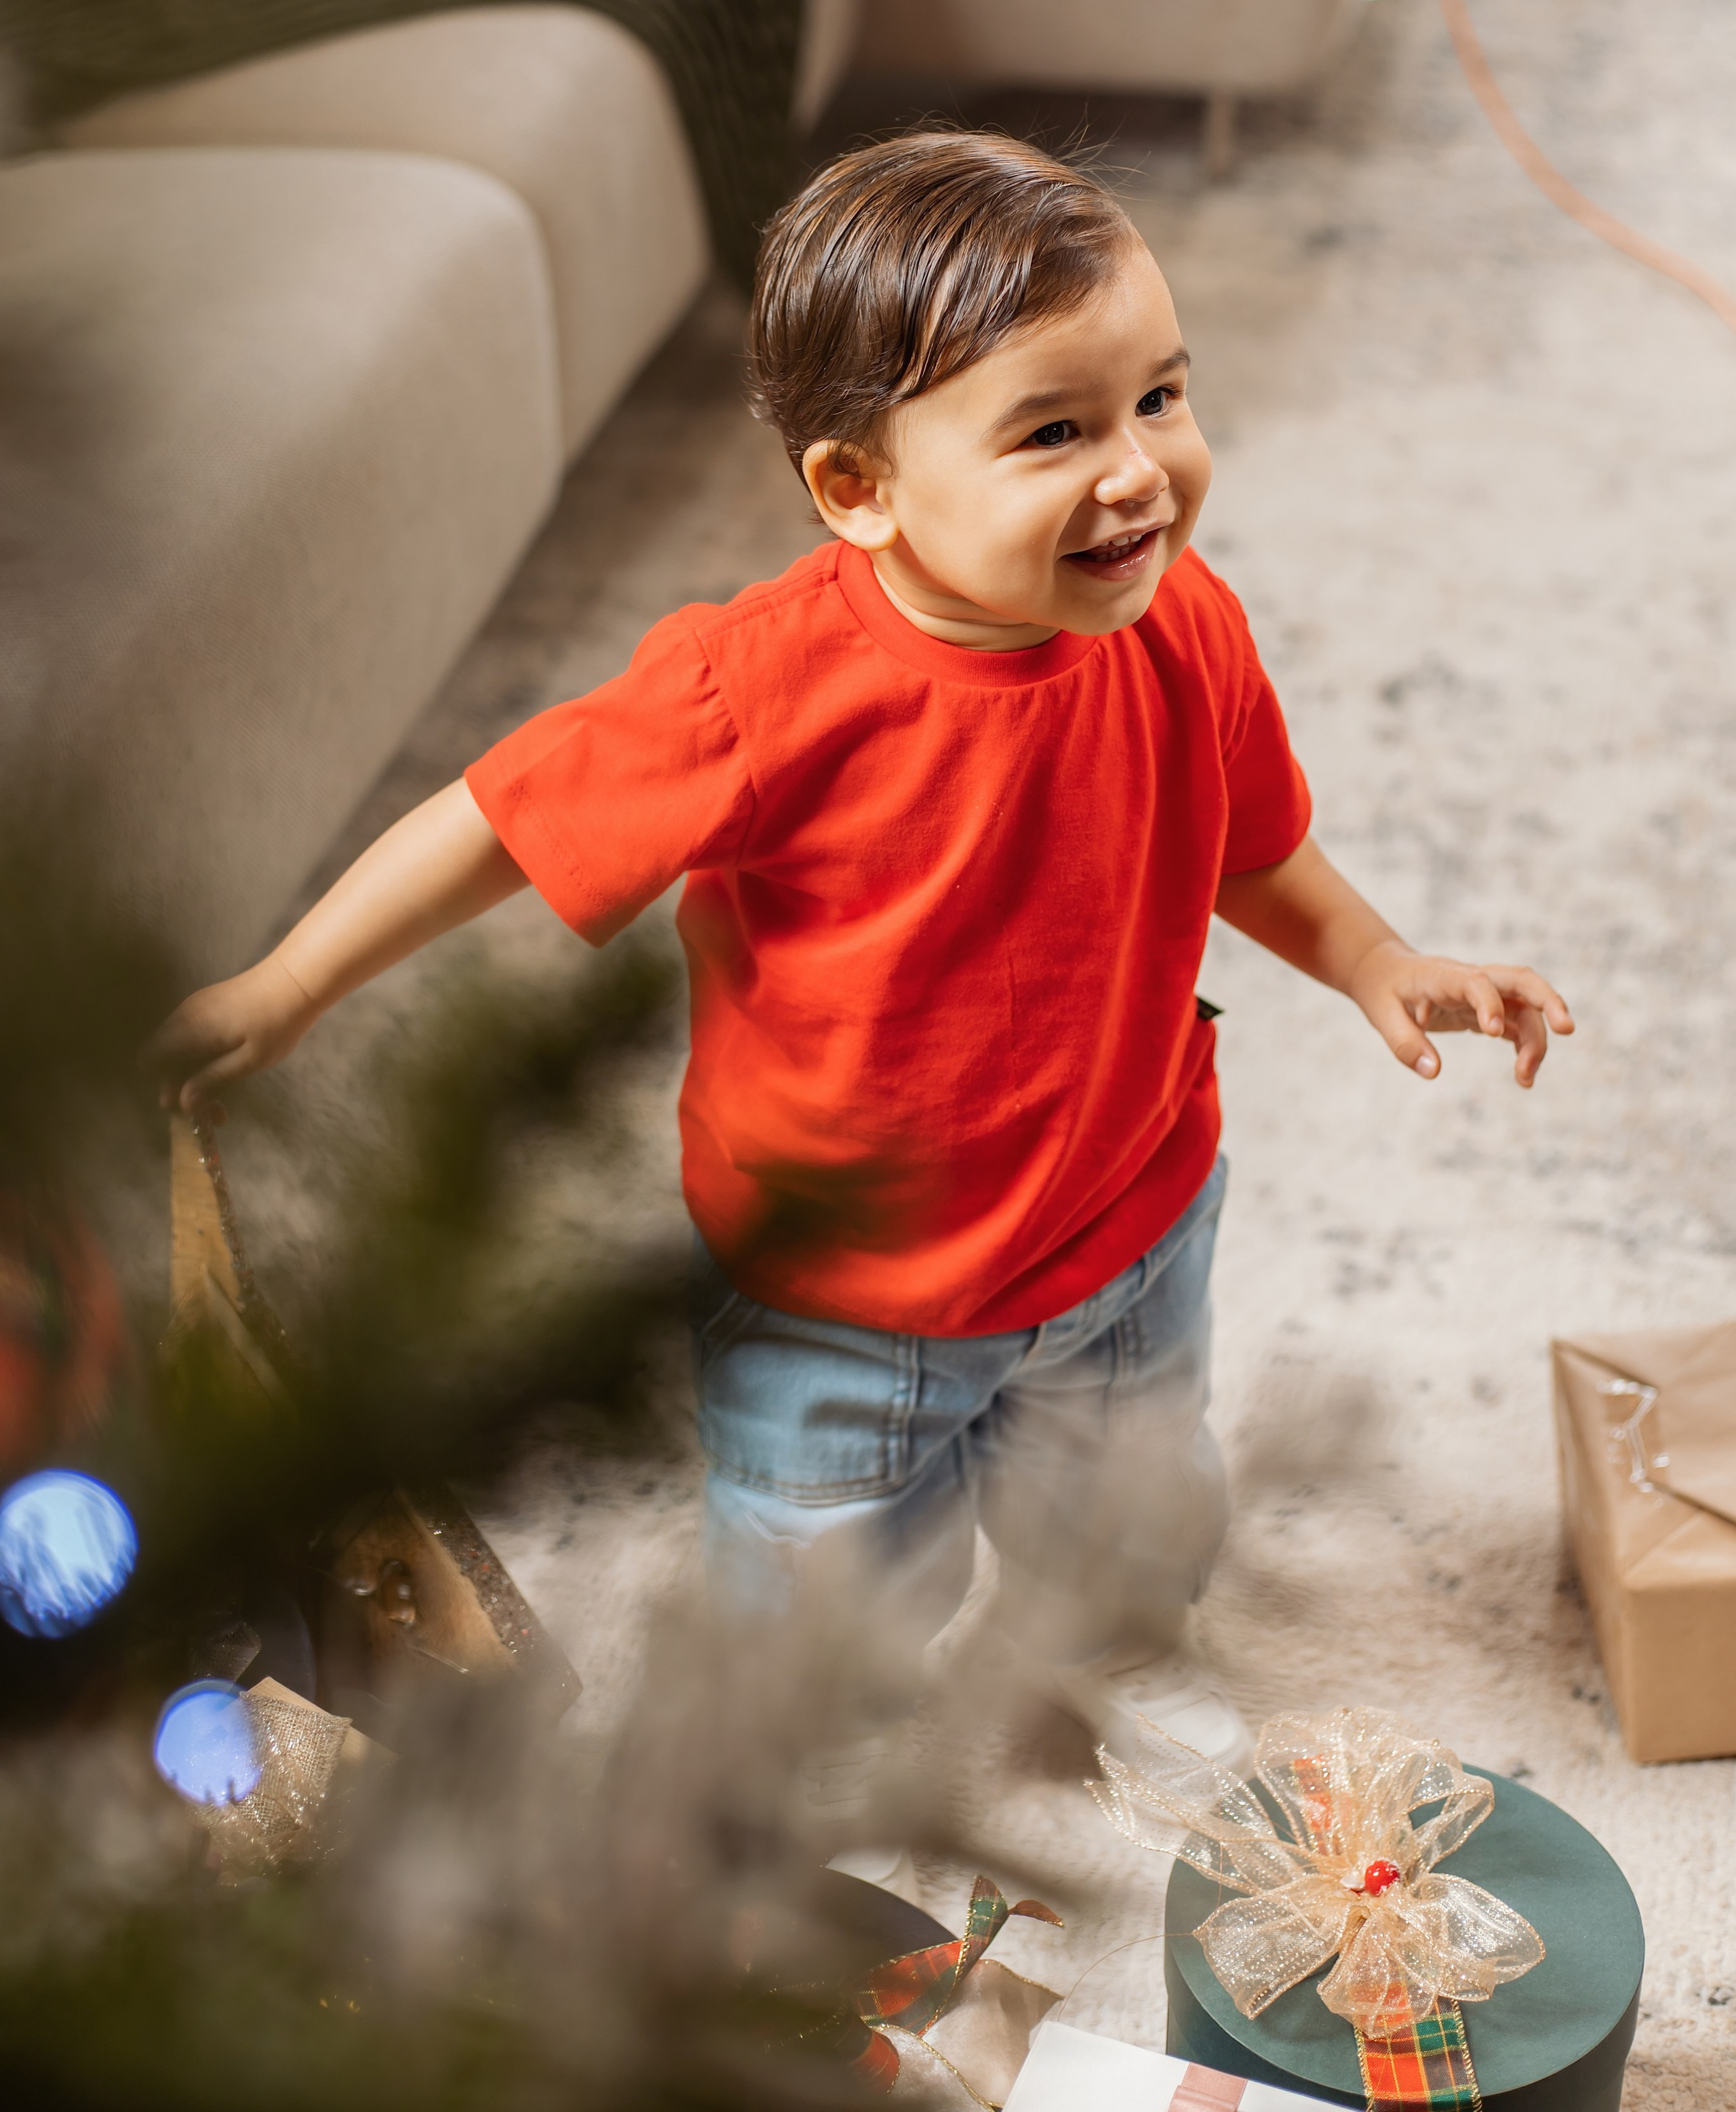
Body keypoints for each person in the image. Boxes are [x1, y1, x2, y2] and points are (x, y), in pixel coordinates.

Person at [151, 132, 1572, 1843]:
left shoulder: (1182, 625)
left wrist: (1374, 959)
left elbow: (1243, 845)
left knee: (1128, 1510)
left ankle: (1113, 1659)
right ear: (858, 489)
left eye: (1161, 399)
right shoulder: (753, 691)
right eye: (1053, 431)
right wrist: (294, 982)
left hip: (1125, 1217)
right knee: (826, 1584)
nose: (1139, 475)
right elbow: (504, 819)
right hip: (838, 1291)